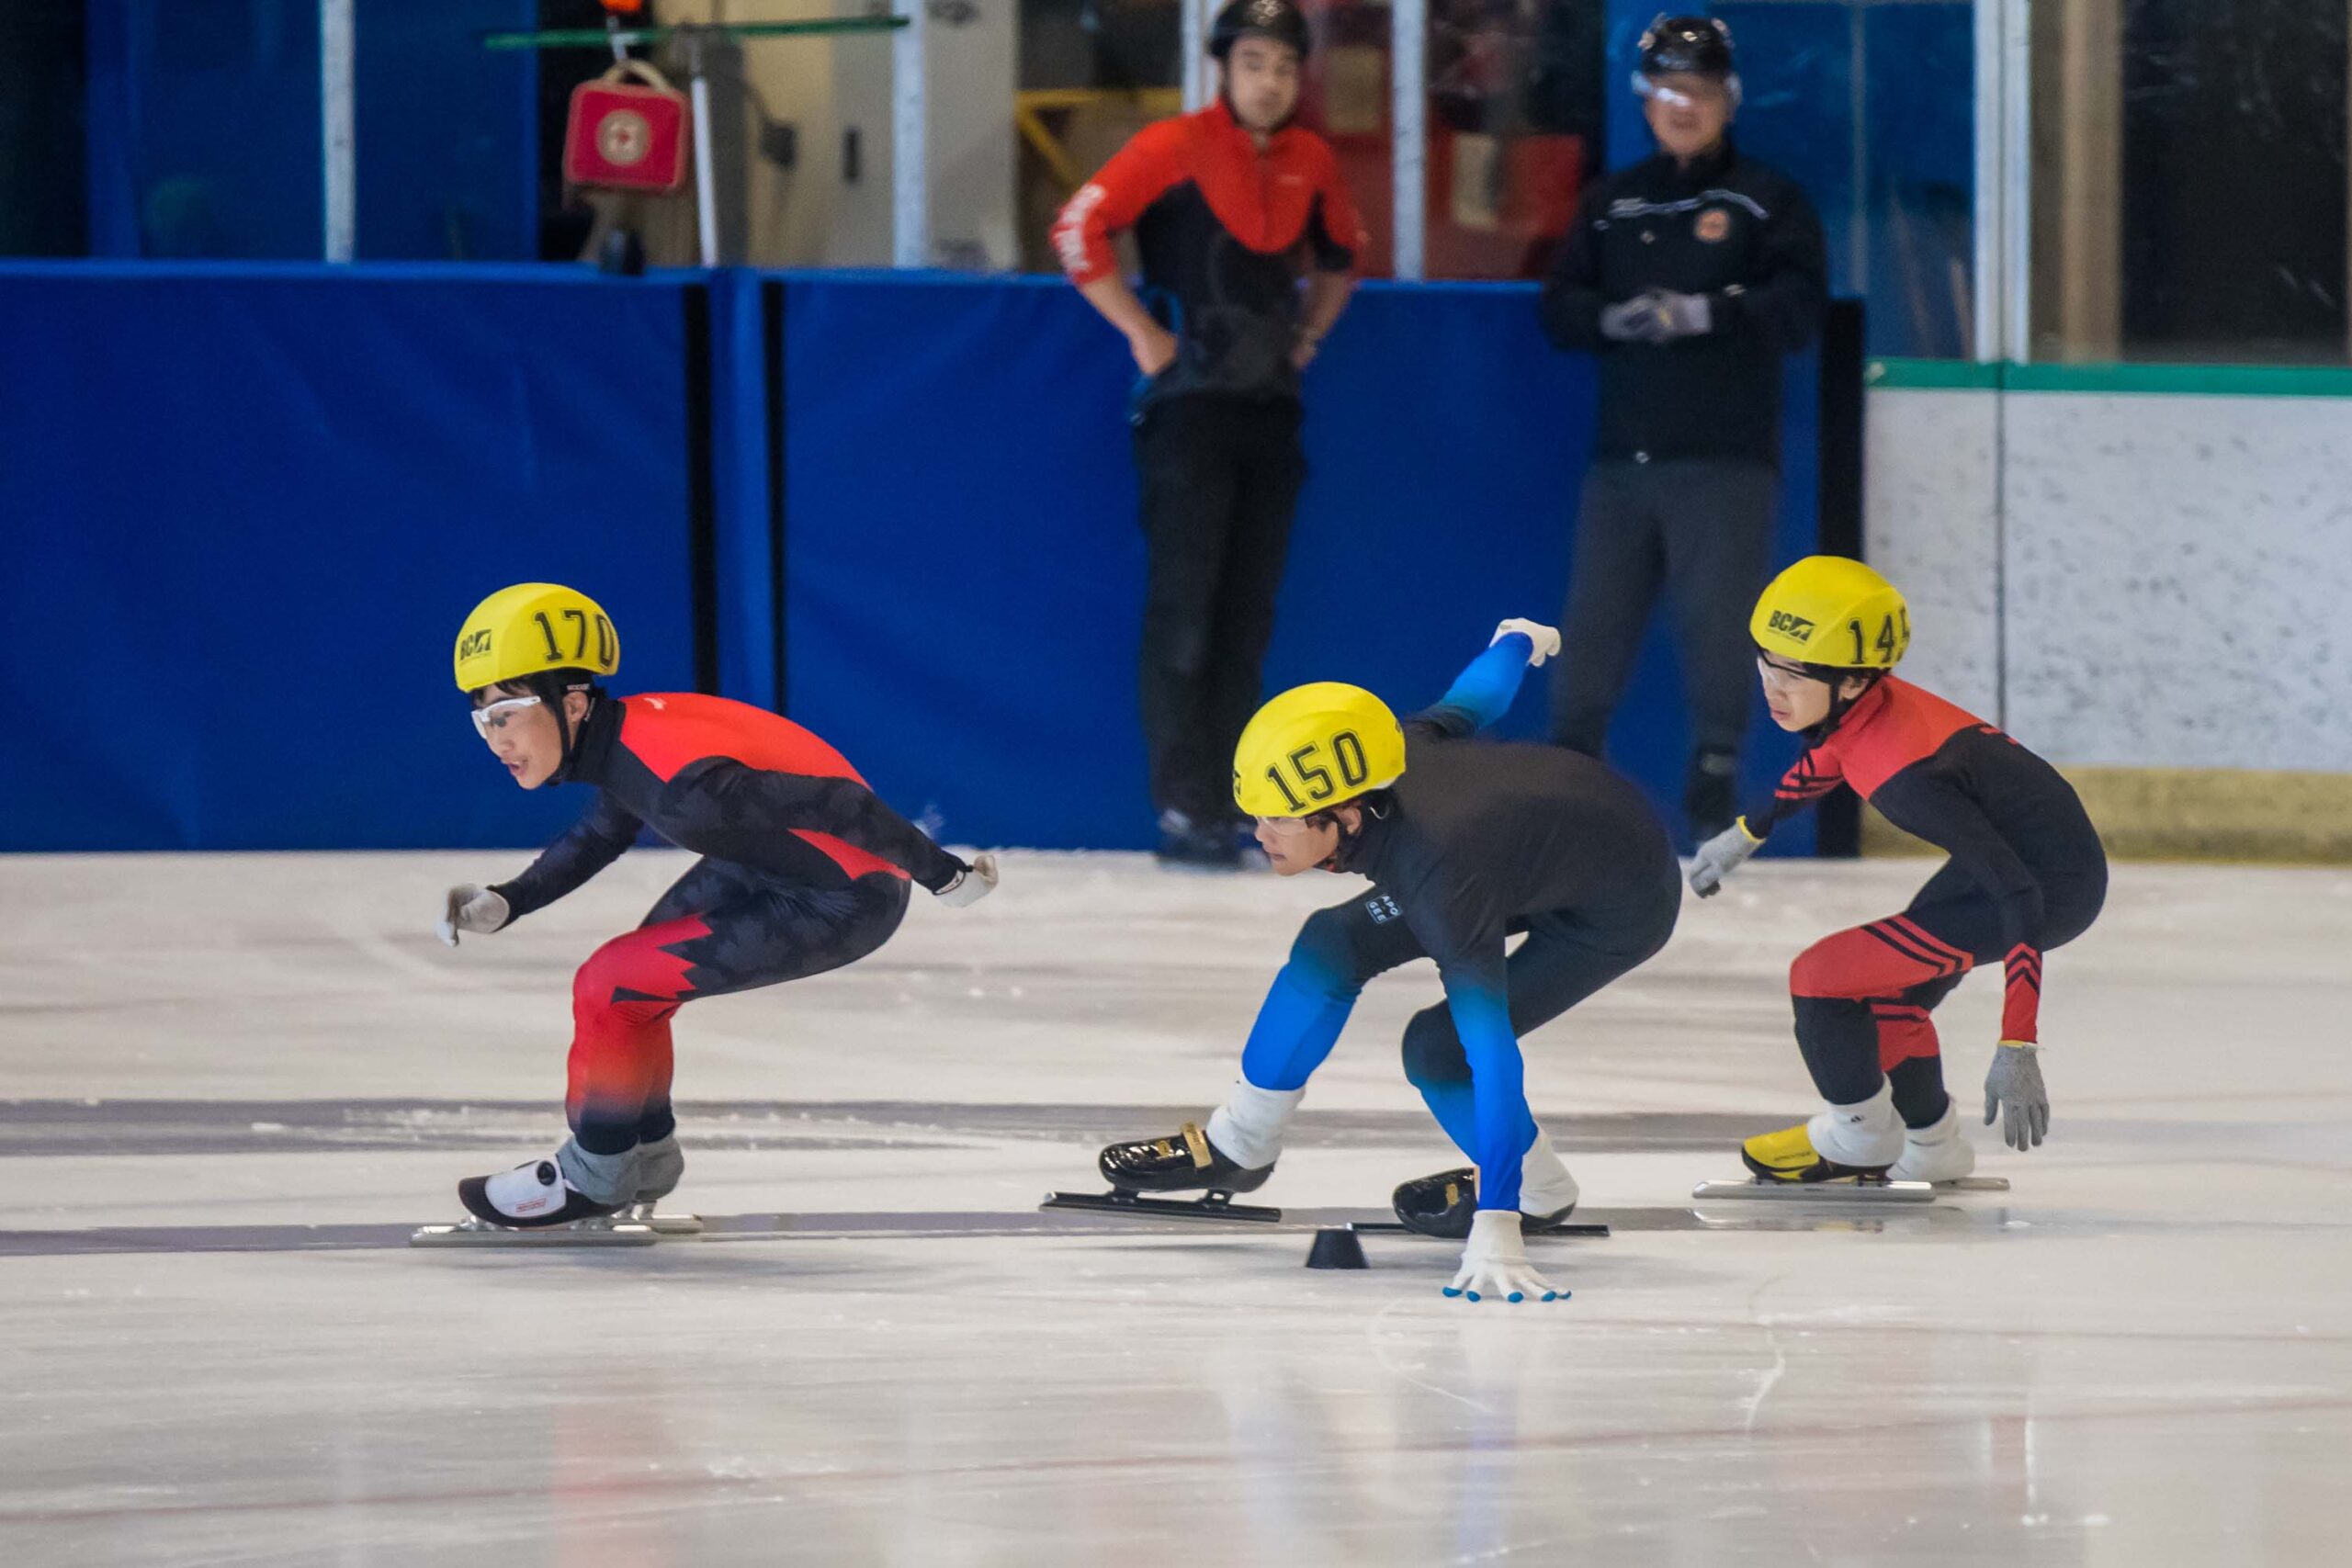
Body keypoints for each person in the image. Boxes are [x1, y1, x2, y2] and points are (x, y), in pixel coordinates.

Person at [1095, 618, 1681, 1302]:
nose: (1259, 836)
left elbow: (1492, 1054)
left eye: (1280, 820)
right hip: (1539, 855)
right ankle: (1240, 1144)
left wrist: (1497, 1218)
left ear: (1344, 816)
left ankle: (1541, 1190)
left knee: (1437, 1049)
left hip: (1617, 907)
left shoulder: (1441, 874)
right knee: (1329, 942)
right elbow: (1473, 701)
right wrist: (1514, 644)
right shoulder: (1386, 753)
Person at [437, 582, 999, 1229]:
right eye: (480, 718)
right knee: (634, 979)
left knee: (610, 981)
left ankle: (595, 1172)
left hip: (847, 896)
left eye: (504, 713)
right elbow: (600, 834)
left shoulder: (683, 788)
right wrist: (510, 900)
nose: (493, 738)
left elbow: (842, 803)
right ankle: (641, 1153)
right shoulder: (625, 743)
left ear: (569, 702)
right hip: (775, 864)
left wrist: (943, 875)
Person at [1052, 0, 1364, 868]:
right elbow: (1077, 227)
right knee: (1185, 613)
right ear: (1223, 67)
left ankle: (1239, 800)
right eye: (1255, 62)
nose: (1270, 81)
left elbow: (1343, 257)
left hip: (1270, 410)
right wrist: (1140, 333)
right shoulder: (1173, 147)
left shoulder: (1312, 159)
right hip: (1188, 411)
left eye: (1285, 66)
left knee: (1247, 616)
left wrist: (1308, 339)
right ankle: (1183, 804)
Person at [1686, 557, 2108, 1182]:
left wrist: (2017, 1043)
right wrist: (1748, 832)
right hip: (2019, 856)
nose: (1772, 687)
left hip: (2043, 887)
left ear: (1852, 682)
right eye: (1765, 662)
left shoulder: (1910, 778)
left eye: (1794, 673)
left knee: (1821, 974)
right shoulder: (1864, 708)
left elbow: (2019, 894)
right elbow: (1834, 754)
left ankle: (1858, 1137)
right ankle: (1933, 1144)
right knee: (1890, 1003)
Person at [1537, 13, 1827, 841]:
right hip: (1623, 458)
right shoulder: (1612, 202)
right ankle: (1568, 792)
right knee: (1591, 627)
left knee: (1717, 630)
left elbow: (1801, 308)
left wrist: (1711, 311)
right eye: (1666, 91)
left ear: (1728, 100)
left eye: (1698, 92)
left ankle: (1713, 790)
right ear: (1644, 100)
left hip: (1724, 458)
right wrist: (1611, 320)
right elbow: (1559, 308)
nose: (1682, 106)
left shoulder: (1768, 200)